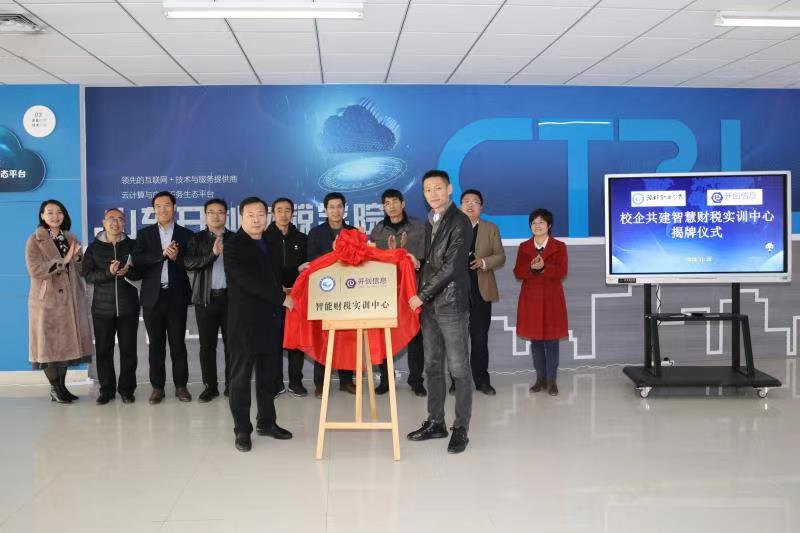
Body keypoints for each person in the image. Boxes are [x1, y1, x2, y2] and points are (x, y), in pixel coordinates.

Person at [407, 170, 473, 454]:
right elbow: (433, 262)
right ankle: (436, 422)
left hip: (451, 304)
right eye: (427, 189)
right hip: (431, 307)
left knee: (458, 369)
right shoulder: (431, 220)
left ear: (449, 189)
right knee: (432, 366)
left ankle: (461, 428)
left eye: (437, 188)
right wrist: (414, 262)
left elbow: (452, 267)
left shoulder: (460, 221)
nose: (432, 194)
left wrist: (421, 295)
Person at [225, 196, 293, 452]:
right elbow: (247, 281)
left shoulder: (272, 240)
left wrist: (303, 271)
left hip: (269, 321)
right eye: (250, 215)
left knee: (268, 377)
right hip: (244, 323)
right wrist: (282, 298)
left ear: (267, 217)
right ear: (241, 217)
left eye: (261, 215)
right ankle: (242, 430)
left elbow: (277, 275)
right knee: (240, 379)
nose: (256, 220)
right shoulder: (233, 245)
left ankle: (267, 422)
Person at [25, 199, 94, 403]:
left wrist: (78, 258)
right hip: (47, 302)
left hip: (71, 301)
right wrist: (63, 261)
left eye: (59, 212)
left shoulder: (70, 238)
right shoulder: (34, 240)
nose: (55, 216)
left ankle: (62, 388)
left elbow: (81, 270)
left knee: (65, 347)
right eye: (50, 212)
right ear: (42, 216)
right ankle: (55, 388)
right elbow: (35, 270)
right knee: (48, 347)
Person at [132, 191, 194, 404]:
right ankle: (157, 388)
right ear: (154, 209)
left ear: (174, 207)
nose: (163, 209)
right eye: (158, 206)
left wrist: (177, 258)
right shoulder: (145, 234)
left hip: (176, 296)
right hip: (153, 297)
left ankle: (181, 386)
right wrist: (161, 255)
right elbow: (138, 261)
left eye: (167, 205)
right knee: (155, 345)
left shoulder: (186, 234)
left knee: (178, 344)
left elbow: (192, 262)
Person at [369, 188, 427, 397]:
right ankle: (386, 379)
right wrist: (390, 254)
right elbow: (372, 261)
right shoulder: (377, 231)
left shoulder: (418, 227)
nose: (391, 206)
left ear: (402, 204)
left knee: (414, 335)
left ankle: (416, 380)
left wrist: (410, 258)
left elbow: (427, 258)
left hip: (412, 290)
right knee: (384, 335)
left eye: (395, 201)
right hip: (385, 292)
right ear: (383, 207)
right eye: (387, 203)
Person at [83, 208, 142, 405]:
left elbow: (142, 271)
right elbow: (88, 275)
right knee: (103, 351)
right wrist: (109, 273)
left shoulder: (133, 245)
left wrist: (128, 272)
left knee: (128, 351)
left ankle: (127, 390)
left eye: (119, 219)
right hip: (102, 308)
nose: (115, 223)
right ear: (103, 222)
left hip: (128, 307)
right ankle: (106, 390)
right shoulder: (94, 248)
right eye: (111, 219)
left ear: (125, 223)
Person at [306, 191, 356, 398]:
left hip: (348, 292)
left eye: (339, 206)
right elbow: (312, 261)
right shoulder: (316, 233)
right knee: (323, 339)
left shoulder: (353, 232)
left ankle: (346, 380)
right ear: (325, 210)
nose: (336, 211)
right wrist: (335, 253)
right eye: (332, 207)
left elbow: (359, 260)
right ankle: (321, 383)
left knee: (348, 338)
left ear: (345, 209)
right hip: (324, 292)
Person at [513, 208, 568, 396]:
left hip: (552, 299)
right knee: (535, 341)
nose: (537, 226)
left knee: (552, 341)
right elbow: (518, 273)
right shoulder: (524, 247)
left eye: (541, 222)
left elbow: (562, 272)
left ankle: (552, 380)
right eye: (534, 223)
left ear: (549, 225)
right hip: (531, 299)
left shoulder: (559, 246)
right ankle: (540, 379)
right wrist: (531, 268)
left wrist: (544, 268)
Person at [184, 198, 235, 403]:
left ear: (226, 215)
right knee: (207, 346)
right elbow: (189, 263)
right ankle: (210, 387)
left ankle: (232, 385)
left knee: (232, 346)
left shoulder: (235, 238)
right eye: (211, 212)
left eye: (220, 212)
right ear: (205, 215)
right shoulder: (196, 239)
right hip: (205, 299)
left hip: (231, 300)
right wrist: (212, 255)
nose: (216, 216)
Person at [459, 188, 505, 396]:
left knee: (479, 338)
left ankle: (482, 381)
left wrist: (484, 262)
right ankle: (457, 381)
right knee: (457, 340)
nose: (470, 205)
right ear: (460, 206)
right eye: (466, 201)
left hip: (481, 290)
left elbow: (500, 256)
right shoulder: (451, 228)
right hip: (456, 291)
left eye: (475, 201)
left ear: (481, 207)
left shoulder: (491, 228)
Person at [265, 197, 309, 397]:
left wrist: (296, 276)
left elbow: (306, 268)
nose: (283, 214)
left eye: (287, 210)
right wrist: (278, 284)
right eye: (279, 210)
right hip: (272, 297)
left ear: (292, 213)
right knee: (273, 341)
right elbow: (263, 270)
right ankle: (275, 382)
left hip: (296, 297)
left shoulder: (301, 238)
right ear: (273, 213)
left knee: (296, 341)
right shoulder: (263, 238)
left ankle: (296, 382)